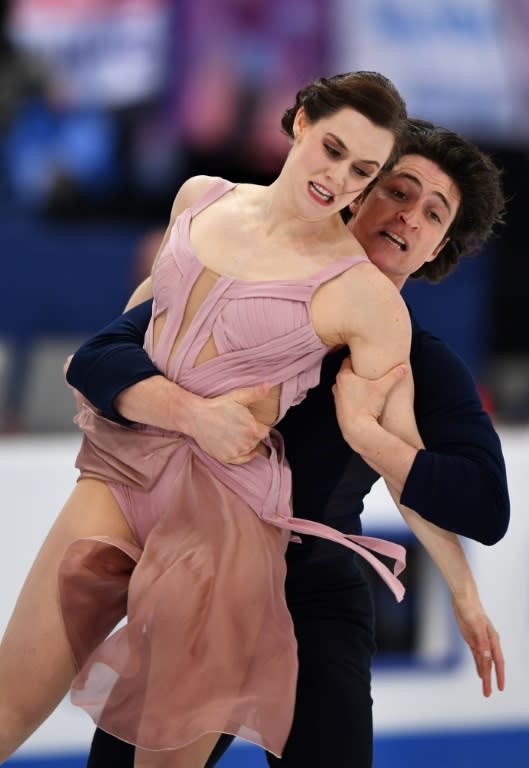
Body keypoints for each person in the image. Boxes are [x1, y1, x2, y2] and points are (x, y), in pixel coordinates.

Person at [66, 120, 509, 768]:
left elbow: (484, 506)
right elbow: (100, 359)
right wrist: (194, 414)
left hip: (313, 599)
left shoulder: (420, 361)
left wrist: (367, 435)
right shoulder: (249, 287)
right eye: (397, 189)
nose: (407, 216)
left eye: (432, 213)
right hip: (200, 579)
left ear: (439, 246)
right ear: (356, 190)